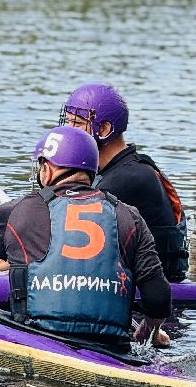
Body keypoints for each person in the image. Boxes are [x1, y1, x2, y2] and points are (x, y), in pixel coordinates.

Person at [0, 126, 170, 352]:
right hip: (111, 347)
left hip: (36, 337)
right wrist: (148, 330)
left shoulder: (13, 211)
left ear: (48, 170)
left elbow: (4, 251)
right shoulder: (130, 216)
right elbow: (159, 297)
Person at [59, 82, 189, 283]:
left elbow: (65, 244)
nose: (68, 131)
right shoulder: (117, 169)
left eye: (76, 123)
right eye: (67, 122)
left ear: (104, 129)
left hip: (152, 289)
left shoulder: (126, 179)